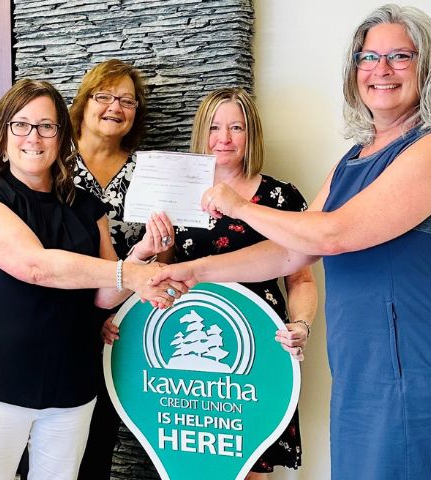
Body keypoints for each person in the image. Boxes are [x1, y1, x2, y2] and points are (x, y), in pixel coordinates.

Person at [148, 5, 431, 479]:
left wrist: (241, 206)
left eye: (399, 56)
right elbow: (293, 250)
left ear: (427, 66)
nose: (381, 70)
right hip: (359, 368)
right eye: (368, 57)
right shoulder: (354, 158)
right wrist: (192, 270)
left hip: (423, 368)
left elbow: (335, 234)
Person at [0, 78, 182, 480]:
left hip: (72, 385)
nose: (33, 137)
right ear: (3, 133)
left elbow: (104, 296)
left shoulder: (87, 207)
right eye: (21, 125)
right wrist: (131, 272)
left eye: (46, 126)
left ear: (61, 137)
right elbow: (35, 266)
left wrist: (141, 254)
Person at [127, 87, 318, 478]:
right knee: (191, 464)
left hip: (260, 348)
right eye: (214, 127)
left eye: (236, 127)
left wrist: (301, 324)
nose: (224, 138)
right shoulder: (177, 195)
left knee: (252, 464)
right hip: (184, 355)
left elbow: (301, 277)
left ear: (252, 134)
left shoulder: (281, 198)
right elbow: (162, 272)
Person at [68, 59, 175, 480]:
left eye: (127, 101)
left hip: (120, 321)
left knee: (98, 438)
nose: (115, 107)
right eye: (104, 96)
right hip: (59, 315)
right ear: (83, 103)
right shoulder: (52, 162)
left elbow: (164, 254)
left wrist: (126, 311)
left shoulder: (148, 172)